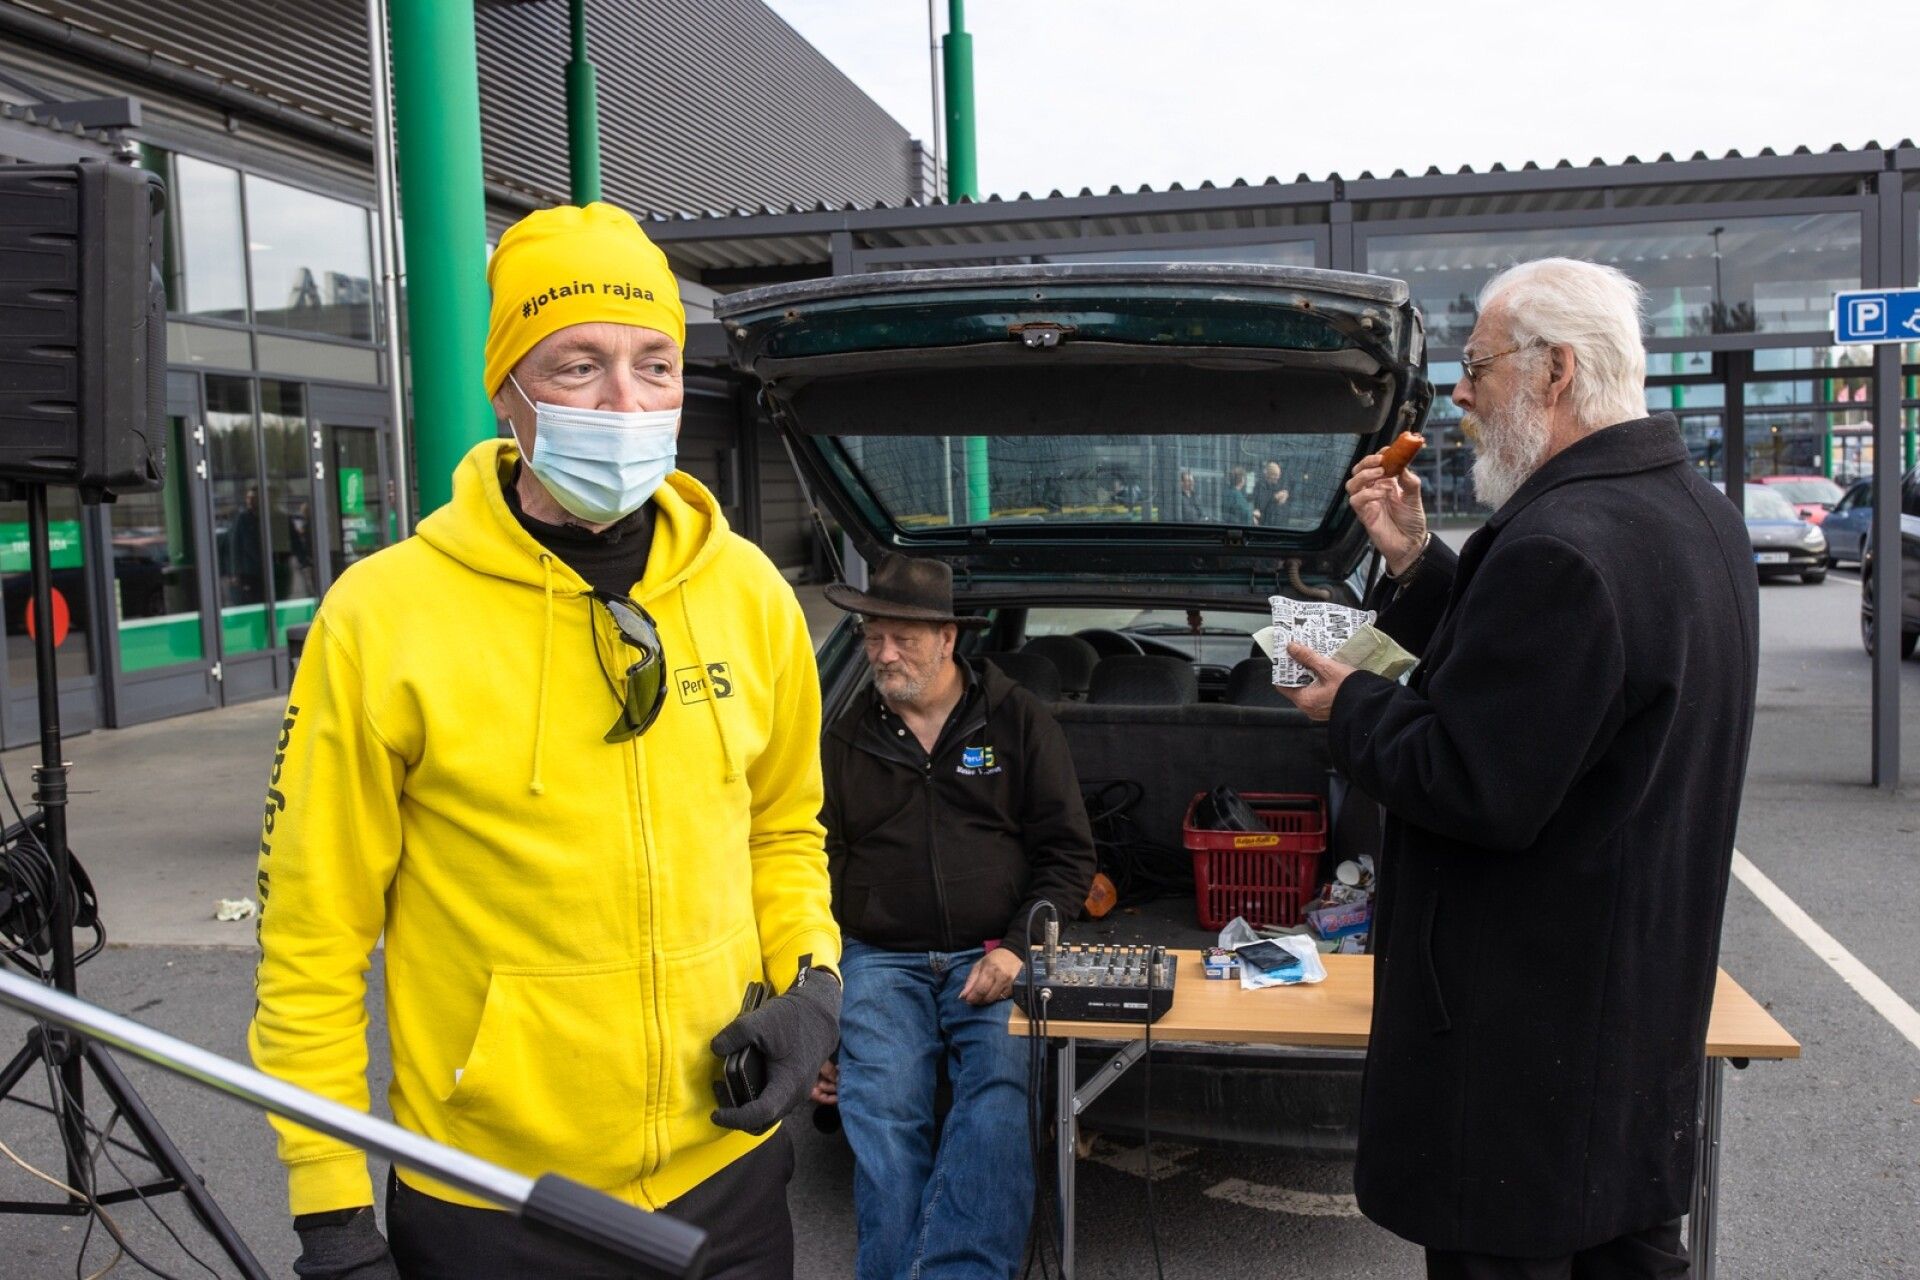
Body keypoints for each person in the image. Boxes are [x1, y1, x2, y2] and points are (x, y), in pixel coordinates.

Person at [248, 202, 841, 1280]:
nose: (626, 401)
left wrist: (812, 980)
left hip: (730, 1179)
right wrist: (329, 1209)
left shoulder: (752, 594)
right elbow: (312, 937)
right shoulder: (381, 616)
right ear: (508, 390)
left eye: (654, 363)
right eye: (578, 366)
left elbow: (783, 828)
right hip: (492, 1201)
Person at [1280, 258, 1759, 1280]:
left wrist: (1347, 703)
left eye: (1476, 366)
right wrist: (1417, 562)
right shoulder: (1693, 514)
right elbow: (1548, 686)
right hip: (1628, 1032)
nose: (1456, 393)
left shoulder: (1563, 544)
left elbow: (1476, 776)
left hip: (1519, 1067)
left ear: (1556, 372)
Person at [814, 553, 1095, 1280]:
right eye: (873, 635)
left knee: (998, 1105)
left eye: (902, 637)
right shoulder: (842, 738)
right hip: (878, 956)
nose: (882, 653)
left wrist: (1021, 948)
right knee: (881, 1108)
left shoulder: (1018, 721)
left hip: (994, 951)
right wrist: (815, 1005)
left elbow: (1067, 855)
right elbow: (811, 867)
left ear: (947, 638)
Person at [1255, 459, 1290, 527]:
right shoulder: (1260, 485)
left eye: (1279, 475)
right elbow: (1261, 504)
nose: (1278, 478)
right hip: (1266, 523)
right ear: (1269, 475)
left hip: (1280, 524)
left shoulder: (1279, 485)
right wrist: (1275, 497)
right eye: (1275, 476)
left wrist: (1286, 495)